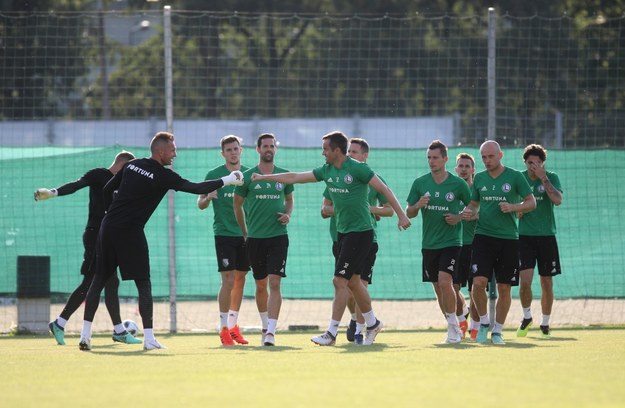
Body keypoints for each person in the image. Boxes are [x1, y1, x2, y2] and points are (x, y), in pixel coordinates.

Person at [78, 131, 243, 351]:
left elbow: (107, 190)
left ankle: (85, 335)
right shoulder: (163, 175)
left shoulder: (131, 165)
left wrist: (112, 212)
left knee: (99, 279)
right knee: (143, 283)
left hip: (107, 227)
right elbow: (195, 188)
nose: (175, 154)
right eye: (173, 150)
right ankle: (149, 339)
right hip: (130, 231)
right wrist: (228, 180)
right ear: (161, 151)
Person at [252, 131, 411, 346]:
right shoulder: (327, 170)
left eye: (325, 149)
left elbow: (384, 189)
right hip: (343, 233)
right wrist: (264, 177)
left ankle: (331, 333)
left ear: (337, 150)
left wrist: (401, 215)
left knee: (339, 281)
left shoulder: (357, 168)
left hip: (361, 233)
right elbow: (295, 178)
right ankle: (373, 323)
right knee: (354, 282)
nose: (322, 152)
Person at [34, 151, 139, 346]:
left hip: (110, 237)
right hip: (95, 235)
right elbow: (77, 185)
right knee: (95, 282)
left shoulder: (123, 183)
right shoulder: (99, 174)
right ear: (123, 166)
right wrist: (52, 192)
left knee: (108, 282)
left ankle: (61, 323)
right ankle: (116, 330)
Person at [461, 140, 536, 345]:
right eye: (483, 157)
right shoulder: (480, 179)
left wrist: (513, 207)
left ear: (500, 155)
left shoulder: (515, 176)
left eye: (490, 156)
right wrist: (468, 213)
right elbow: (474, 204)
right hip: (483, 238)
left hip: (509, 240)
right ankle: (484, 323)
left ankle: (498, 331)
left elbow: (531, 202)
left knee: (504, 288)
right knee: (478, 284)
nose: (487, 160)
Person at [321, 138, 393, 344]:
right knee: (350, 285)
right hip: (340, 236)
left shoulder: (369, 177)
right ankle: (361, 321)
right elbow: (324, 209)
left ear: (365, 156)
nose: (351, 154)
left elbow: (388, 209)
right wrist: (346, 208)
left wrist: (368, 209)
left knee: (355, 282)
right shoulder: (335, 174)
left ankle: (359, 331)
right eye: (349, 151)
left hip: (365, 238)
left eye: (355, 151)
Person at [406, 140, 472, 344]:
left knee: (446, 282)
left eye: (435, 158)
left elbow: (474, 208)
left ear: (445, 159)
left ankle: (454, 328)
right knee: (437, 287)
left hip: (452, 241)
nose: (431, 161)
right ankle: (455, 320)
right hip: (429, 244)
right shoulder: (420, 183)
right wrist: (418, 205)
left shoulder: (458, 184)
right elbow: (409, 212)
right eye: (429, 157)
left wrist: (459, 217)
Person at [233, 133, 293, 347]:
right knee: (260, 286)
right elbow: (237, 204)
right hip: (255, 239)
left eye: (272, 146)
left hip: (278, 237)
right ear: (257, 149)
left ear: (275, 149)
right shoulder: (248, 176)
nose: (269, 149)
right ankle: (264, 324)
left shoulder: (284, 175)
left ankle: (271, 332)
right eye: (265, 146)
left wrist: (288, 214)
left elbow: (289, 200)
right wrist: (245, 232)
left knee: (275, 282)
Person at [198, 135, 251, 346]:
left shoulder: (249, 174)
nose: (233, 152)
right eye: (228, 150)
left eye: (235, 149)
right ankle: (223, 329)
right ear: (223, 154)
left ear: (241, 150)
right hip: (223, 233)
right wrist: (208, 197)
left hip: (246, 235)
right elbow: (200, 203)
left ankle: (234, 325)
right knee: (227, 280)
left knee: (241, 279)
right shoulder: (214, 175)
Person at [516, 144, 563, 339]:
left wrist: (544, 178)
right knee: (525, 281)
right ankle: (527, 317)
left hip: (546, 237)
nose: (533, 166)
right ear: (525, 163)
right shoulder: (519, 179)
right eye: (530, 163)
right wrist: (518, 210)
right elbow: (516, 208)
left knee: (546, 282)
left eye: (537, 162)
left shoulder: (551, 177)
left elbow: (558, 200)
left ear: (543, 163)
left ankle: (545, 323)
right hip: (524, 237)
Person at [454, 153, 480, 340]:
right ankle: (462, 313)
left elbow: (488, 211)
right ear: (456, 169)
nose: (463, 169)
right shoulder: (451, 189)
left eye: (467, 166)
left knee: (475, 289)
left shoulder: (478, 191)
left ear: (473, 170)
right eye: (460, 166)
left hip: (475, 244)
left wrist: (475, 215)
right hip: (454, 245)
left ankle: (476, 327)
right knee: (451, 288)